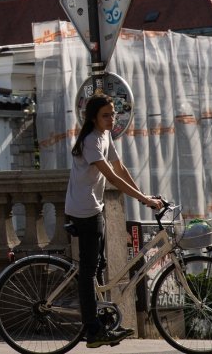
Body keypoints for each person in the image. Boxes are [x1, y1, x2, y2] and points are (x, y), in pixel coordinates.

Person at [66, 94, 162, 349]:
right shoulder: (90, 141)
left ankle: (104, 319)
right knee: (87, 273)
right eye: (106, 115)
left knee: (100, 265)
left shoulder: (105, 135)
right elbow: (112, 179)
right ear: (94, 118)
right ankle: (92, 329)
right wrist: (143, 198)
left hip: (94, 207)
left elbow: (121, 169)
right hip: (84, 211)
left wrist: (144, 196)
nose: (112, 119)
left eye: (113, 114)